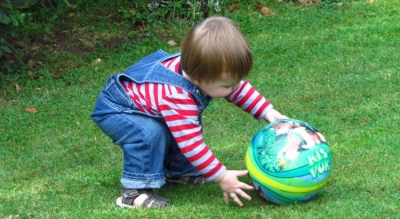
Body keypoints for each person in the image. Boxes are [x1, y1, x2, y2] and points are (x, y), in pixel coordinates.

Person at [91, 16, 287, 208]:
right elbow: (192, 145)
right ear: (197, 78)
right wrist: (222, 176)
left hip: (145, 104)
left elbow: (239, 90)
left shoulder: (204, 69)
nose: (235, 87)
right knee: (149, 134)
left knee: (178, 126)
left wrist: (268, 112)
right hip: (118, 109)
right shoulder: (178, 97)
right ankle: (134, 192)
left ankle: (179, 172)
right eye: (228, 85)